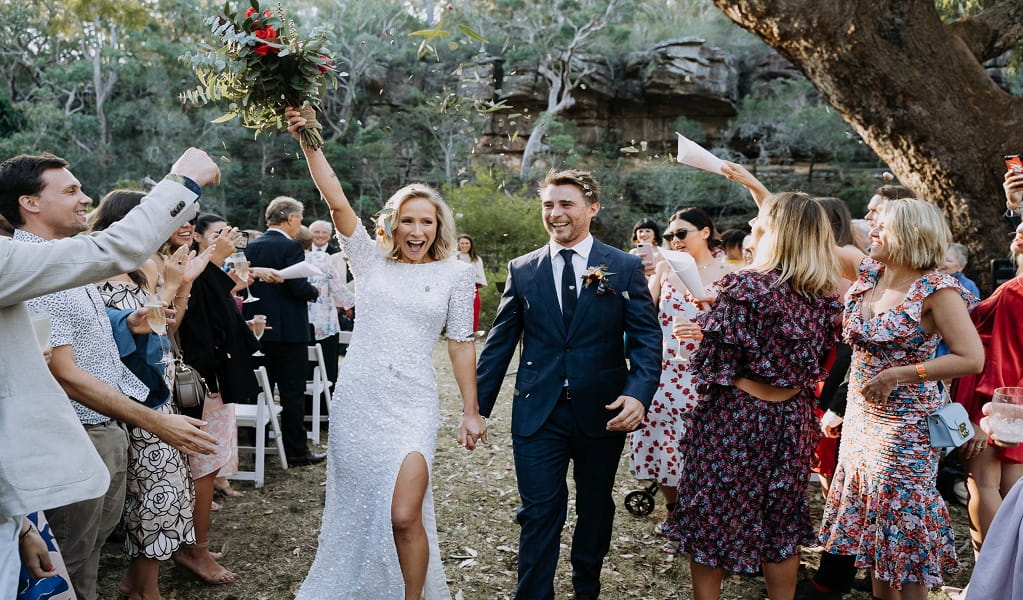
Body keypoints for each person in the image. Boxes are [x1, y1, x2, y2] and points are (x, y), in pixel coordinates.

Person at [0, 148, 220, 600]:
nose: (85, 199)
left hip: (107, 429)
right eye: (72, 190)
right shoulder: (26, 268)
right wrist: (182, 181)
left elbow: (81, 345)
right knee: (67, 570)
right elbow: (67, 374)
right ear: (31, 203)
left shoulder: (58, 264)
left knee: (90, 556)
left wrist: (128, 324)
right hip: (76, 433)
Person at [284, 107, 485, 600]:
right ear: (393, 225)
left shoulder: (456, 274)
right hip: (359, 400)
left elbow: (460, 343)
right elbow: (335, 203)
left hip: (413, 402)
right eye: (408, 221)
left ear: (439, 227)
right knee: (362, 506)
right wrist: (308, 138)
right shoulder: (368, 263)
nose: (418, 232)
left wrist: (471, 411)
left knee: (403, 513)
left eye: (428, 223)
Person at [476, 168, 662, 600]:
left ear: (592, 208)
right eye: (548, 205)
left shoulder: (623, 266)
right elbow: (500, 343)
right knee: (539, 512)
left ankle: (586, 590)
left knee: (595, 508)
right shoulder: (522, 269)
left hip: (603, 412)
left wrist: (638, 393)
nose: (555, 213)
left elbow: (648, 339)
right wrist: (476, 410)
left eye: (565, 204)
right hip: (537, 412)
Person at [662, 191, 843, 600]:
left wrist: (715, 319)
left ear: (776, 231)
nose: (752, 225)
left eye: (760, 219)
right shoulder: (825, 292)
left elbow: (715, 362)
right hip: (792, 417)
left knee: (712, 519)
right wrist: (720, 312)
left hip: (737, 415)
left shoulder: (746, 285)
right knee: (781, 523)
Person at [819, 198, 984, 600]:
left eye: (882, 226)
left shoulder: (937, 290)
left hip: (906, 425)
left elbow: (972, 358)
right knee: (877, 521)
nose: (870, 230)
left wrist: (899, 374)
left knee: (902, 524)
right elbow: (807, 227)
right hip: (861, 419)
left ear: (911, 234)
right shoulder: (870, 273)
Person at [88, 190, 215, 600]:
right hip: (127, 395)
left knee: (173, 490)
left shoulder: (142, 267)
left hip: (159, 391)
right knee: (158, 493)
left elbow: (165, 332)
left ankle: (140, 583)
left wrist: (181, 284)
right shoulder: (94, 268)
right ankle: (142, 588)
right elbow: (98, 338)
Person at [629, 213, 706, 553]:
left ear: (704, 232)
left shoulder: (726, 273)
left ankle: (700, 520)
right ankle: (675, 514)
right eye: (671, 233)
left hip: (703, 376)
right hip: (663, 373)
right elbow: (640, 314)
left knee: (695, 453)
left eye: (682, 232)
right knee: (663, 449)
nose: (675, 238)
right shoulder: (663, 269)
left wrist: (707, 333)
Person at [953, 222, 1023, 559]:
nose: (1018, 230)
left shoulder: (1015, 291)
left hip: (994, 400)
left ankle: (987, 579)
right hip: (1015, 399)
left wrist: (984, 418)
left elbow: (1002, 357)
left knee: (982, 483)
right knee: (1012, 493)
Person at [242, 197, 324, 466]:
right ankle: (295, 451)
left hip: (257, 329)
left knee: (258, 390)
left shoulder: (250, 246)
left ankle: (258, 447)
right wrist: (315, 291)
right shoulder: (291, 247)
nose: (300, 224)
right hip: (289, 333)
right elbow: (297, 288)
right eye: (299, 219)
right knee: (292, 393)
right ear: (290, 219)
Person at [296, 225, 355, 389]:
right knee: (326, 370)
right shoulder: (322, 258)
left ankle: (305, 408)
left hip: (296, 323)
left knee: (300, 369)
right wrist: (354, 304)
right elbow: (337, 289)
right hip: (324, 324)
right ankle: (323, 408)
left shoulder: (285, 259)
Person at [455, 234, 487, 332]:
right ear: (458, 244)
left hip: (472, 291)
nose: (464, 245)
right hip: (456, 292)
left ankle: (471, 341)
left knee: (473, 317)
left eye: (467, 243)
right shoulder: (453, 257)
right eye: (462, 243)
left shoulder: (476, 259)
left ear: (471, 244)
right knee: (458, 319)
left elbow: (480, 279)